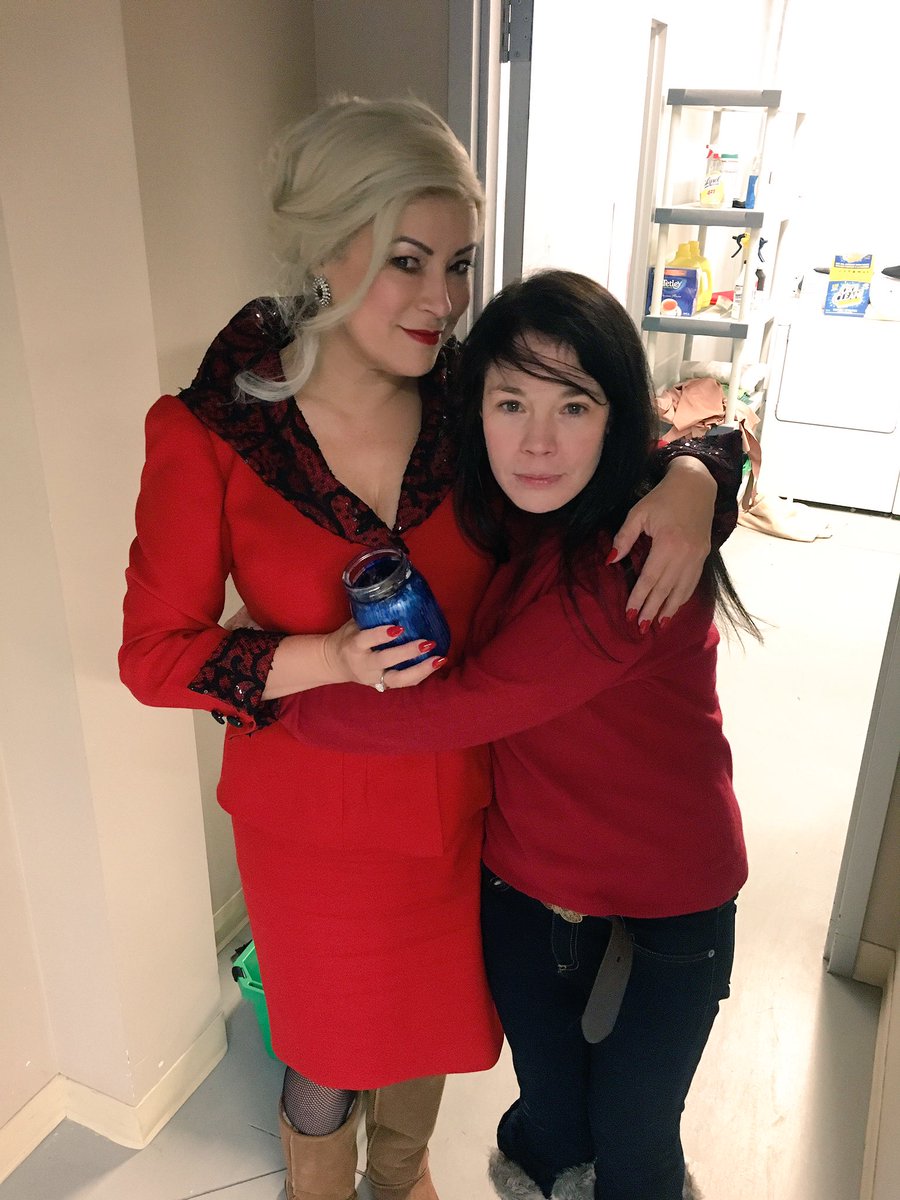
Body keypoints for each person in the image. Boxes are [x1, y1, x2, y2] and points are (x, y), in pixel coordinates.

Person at [119, 95, 739, 1200]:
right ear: (324, 248)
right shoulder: (212, 430)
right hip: (312, 814)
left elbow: (612, 433)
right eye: (407, 261)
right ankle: (319, 1185)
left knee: (436, 1026)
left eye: (457, 265)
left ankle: (401, 1178)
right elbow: (154, 656)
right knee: (327, 1045)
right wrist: (325, 658)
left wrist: (699, 471)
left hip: (467, 802)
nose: (443, 300)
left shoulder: (474, 399)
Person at [278, 270, 754, 1200]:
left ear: (617, 415)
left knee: (635, 1150)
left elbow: (456, 710)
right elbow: (712, 437)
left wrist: (269, 687)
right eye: (511, 403)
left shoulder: (631, 563)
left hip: (664, 911)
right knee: (551, 1124)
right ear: (477, 410)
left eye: (573, 406)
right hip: (529, 893)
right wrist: (702, 468)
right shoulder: (508, 510)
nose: (538, 441)